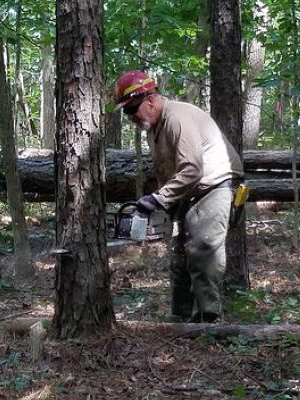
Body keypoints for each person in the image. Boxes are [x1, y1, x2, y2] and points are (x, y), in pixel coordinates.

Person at [114, 70, 244, 323]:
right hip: (190, 191)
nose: (130, 117)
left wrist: (158, 199)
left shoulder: (177, 118)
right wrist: (164, 202)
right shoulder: (154, 128)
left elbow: (192, 168)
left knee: (203, 247)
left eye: (132, 110)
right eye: (126, 112)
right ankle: (180, 316)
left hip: (214, 184)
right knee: (179, 255)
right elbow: (167, 169)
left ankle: (208, 319)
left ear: (150, 100)